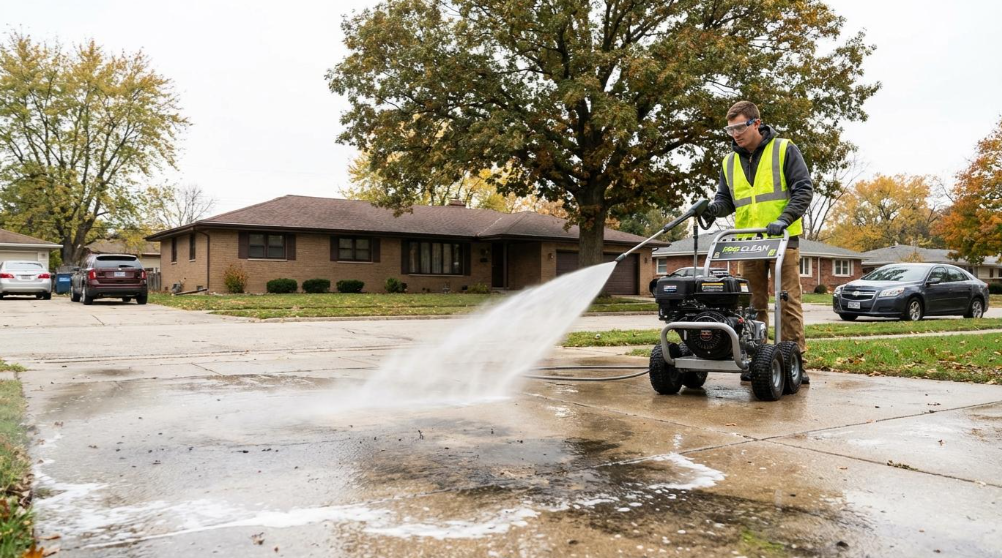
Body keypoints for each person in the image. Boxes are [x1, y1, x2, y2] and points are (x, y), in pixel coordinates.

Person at [704, 101, 813, 383]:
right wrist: (714, 209)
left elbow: (803, 190)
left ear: (755, 123)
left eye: (739, 127)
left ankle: (793, 362)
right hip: (747, 242)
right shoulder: (729, 161)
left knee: (787, 301)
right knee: (751, 305)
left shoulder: (784, 149)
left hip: (782, 239)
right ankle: (759, 361)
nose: (735, 134)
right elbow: (726, 200)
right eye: (730, 129)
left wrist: (785, 218)